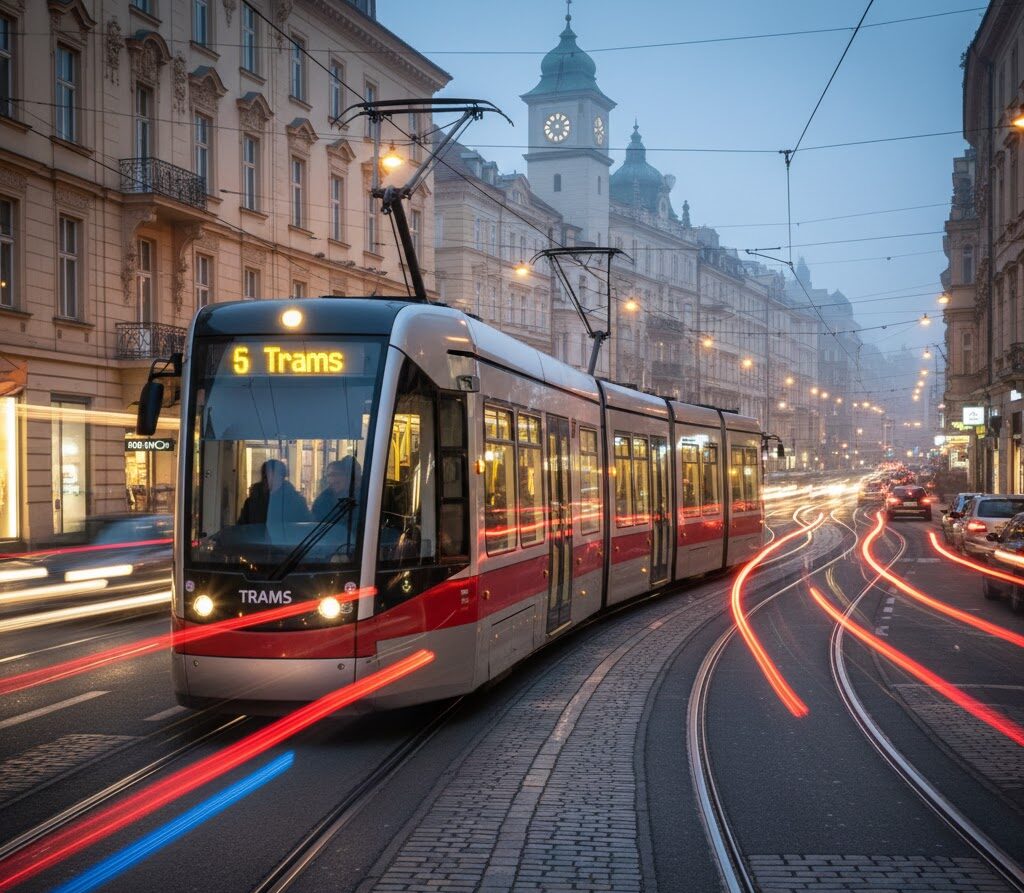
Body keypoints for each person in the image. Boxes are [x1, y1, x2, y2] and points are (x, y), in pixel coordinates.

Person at [238, 459, 311, 527]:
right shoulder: (252, 502)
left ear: (282, 477)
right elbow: (242, 529)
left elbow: (306, 528)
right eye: (266, 475)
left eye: (275, 475)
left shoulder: (296, 502)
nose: (269, 479)